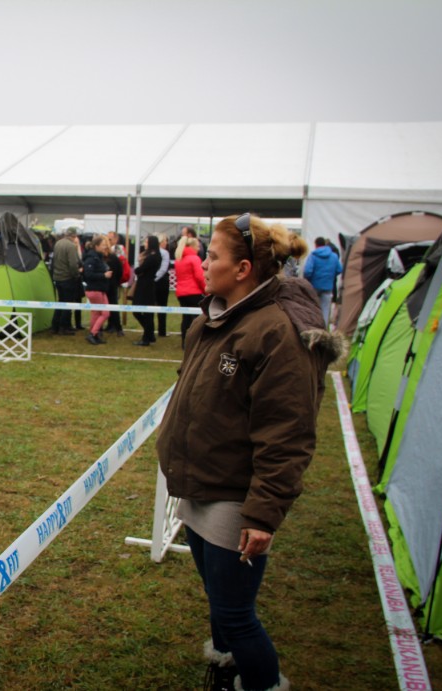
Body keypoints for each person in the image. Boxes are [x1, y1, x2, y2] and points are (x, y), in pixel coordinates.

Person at [155, 213, 345, 691]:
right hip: (201, 482)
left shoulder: (277, 332)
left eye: (212, 256)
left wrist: (262, 514)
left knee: (237, 615)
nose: (201, 263)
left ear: (243, 270)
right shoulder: (214, 316)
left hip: (235, 496)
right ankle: (226, 669)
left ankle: (261, 683)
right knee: (220, 602)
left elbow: (287, 434)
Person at [301, 236, 343, 326]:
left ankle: (312, 326)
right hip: (328, 287)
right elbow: (339, 269)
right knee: (325, 309)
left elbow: (307, 271)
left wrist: (308, 280)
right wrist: (330, 276)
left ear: (316, 245)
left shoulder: (313, 256)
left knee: (312, 307)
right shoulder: (334, 256)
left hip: (314, 287)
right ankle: (323, 328)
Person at [174, 235, 206, 348]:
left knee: (186, 318)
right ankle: (197, 341)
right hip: (194, 292)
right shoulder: (194, 258)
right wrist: (206, 290)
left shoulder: (179, 259)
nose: (199, 248)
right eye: (198, 246)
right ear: (192, 246)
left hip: (181, 293)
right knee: (199, 319)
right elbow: (200, 277)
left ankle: (184, 342)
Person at [81, 234, 113, 345]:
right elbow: (88, 275)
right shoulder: (91, 258)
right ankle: (93, 333)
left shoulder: (98, 257)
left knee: (96, 313)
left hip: (100, 289)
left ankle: (94, 334)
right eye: (103, 245)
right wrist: (104, 275)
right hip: (94, 290)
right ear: (96, 246)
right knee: (105, 313)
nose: (105, 246)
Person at [49, 228, 81, 335]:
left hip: (58, 277)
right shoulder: (71, 246)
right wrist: (76, 275)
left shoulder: (58, 243)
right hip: (67, 278)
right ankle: (64, 327)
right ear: (74, 236)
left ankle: (55, 326)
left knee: (60, 302)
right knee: (68, 304)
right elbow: (73, 264)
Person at [131, 235, 161, 346]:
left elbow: (139, 270)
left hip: (146, 286)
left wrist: (138, 269)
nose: (145, 244)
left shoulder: (153, 257)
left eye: (147, 242)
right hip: (145, 284)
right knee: (145, 313)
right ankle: (149, 334)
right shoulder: (152, 255)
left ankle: (147, 335)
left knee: (142, 311)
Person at [154, 234, 172, 337]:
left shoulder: (151, 252)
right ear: (160, 242)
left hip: (153, 282)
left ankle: (150, 330)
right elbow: (163, 269)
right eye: (165, 241)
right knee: (162, 306)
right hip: (162, 282)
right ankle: (162, 331)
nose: (166, 243)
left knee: (151, 307)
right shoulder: (164, 253)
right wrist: (155, 278)